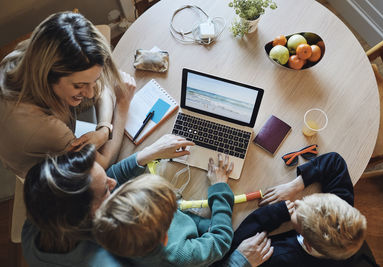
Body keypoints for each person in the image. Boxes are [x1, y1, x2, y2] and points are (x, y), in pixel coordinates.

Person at [22, 135, 194, 266]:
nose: (114, 182)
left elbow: (100, 180)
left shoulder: (41, 214)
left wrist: (147, 153)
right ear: (88, 215)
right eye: (106, 190)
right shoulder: (121, 248)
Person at [0, 11, 134, 178]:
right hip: (41, 173)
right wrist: (122, 105)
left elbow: (101, 87)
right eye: (79, 85)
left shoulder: (28, 58)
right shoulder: (45, 127)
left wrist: (104, 129)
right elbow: (104, 162)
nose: (91, 92)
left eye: (93, 81)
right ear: (49, 76)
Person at [220, 152, 376, 267]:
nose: (297, 203)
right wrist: (294, 186)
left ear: (307, 244)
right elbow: (335, 162)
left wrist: (276, 212)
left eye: (298, 215)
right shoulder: (340, 214)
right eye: (306, 200)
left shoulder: (280, 258)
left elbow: (233, 247)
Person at [93, 153, 237, 266]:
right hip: (204, 236)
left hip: (193, 224)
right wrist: (219, 187)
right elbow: (221, 240)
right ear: (165, 238)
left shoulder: (110, 228)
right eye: (171, 211)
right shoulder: (178, 255)